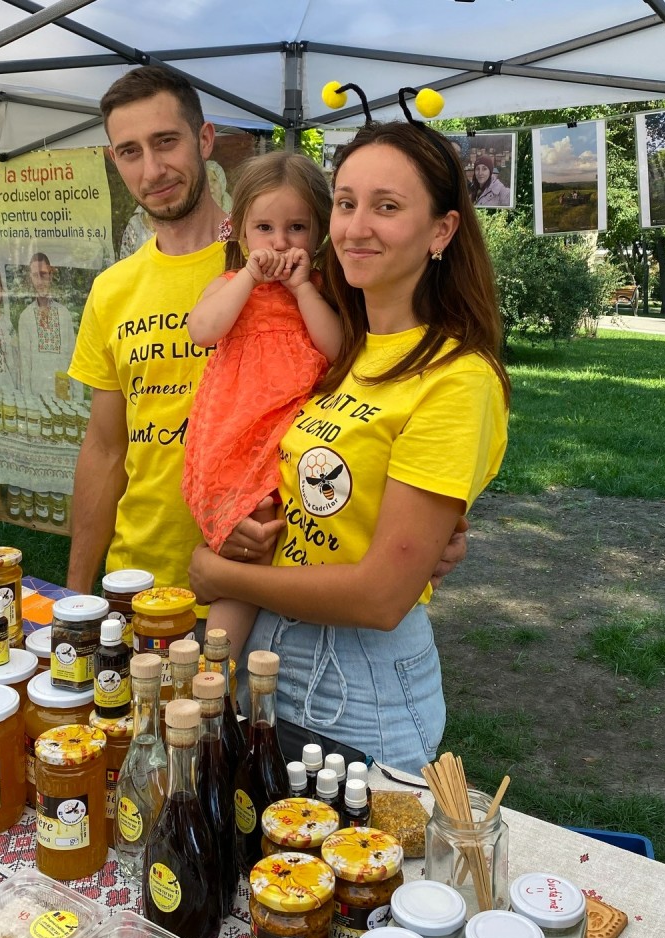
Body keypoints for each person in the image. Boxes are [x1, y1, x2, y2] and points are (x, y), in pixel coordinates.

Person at [67, 66, 467, 608]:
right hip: (138, 576)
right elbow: (104, 447)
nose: (153, 168)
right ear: (115, 161)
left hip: (274, 562)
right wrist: (74, 593)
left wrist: (431, 527)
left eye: (167, 141)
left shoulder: (336, 270)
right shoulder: (112, 290)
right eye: (130, 151)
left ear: (205, 139)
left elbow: (384, 390)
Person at [189, 120, 511, 772]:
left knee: (357, 870)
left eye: (387, 207)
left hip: (358, 681)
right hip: (270, 652)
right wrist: (256, 532)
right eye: (345, 202)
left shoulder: (456, 377)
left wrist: (217, 571)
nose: (357, 225)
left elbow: (380, 597)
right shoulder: (344, 349)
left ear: (442, 231)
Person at [182, 151, 342, 651]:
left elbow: (336, 349)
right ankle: (217, 664)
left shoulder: (316, 290)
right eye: (265, 228)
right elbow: (202, 332)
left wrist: (302, 291)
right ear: (239, 232)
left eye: (296, 227)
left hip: (293, 435)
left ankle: (259, 644)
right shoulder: (230, 285)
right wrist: (249, 277)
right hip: (237, 439)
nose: (280, 242)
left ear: (318, 234)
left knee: (285, 532)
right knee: (249, 541)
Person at [18, 252, 78, 396]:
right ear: (31, 278)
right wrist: (28, 402)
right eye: (35, 275)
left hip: (62, 399)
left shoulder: (64, 315)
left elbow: (73, 360)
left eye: (43, 274)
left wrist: (77, 399)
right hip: (36, 399)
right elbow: (24, 365)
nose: (40, 281)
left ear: (50, 275)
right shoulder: (26, 317)